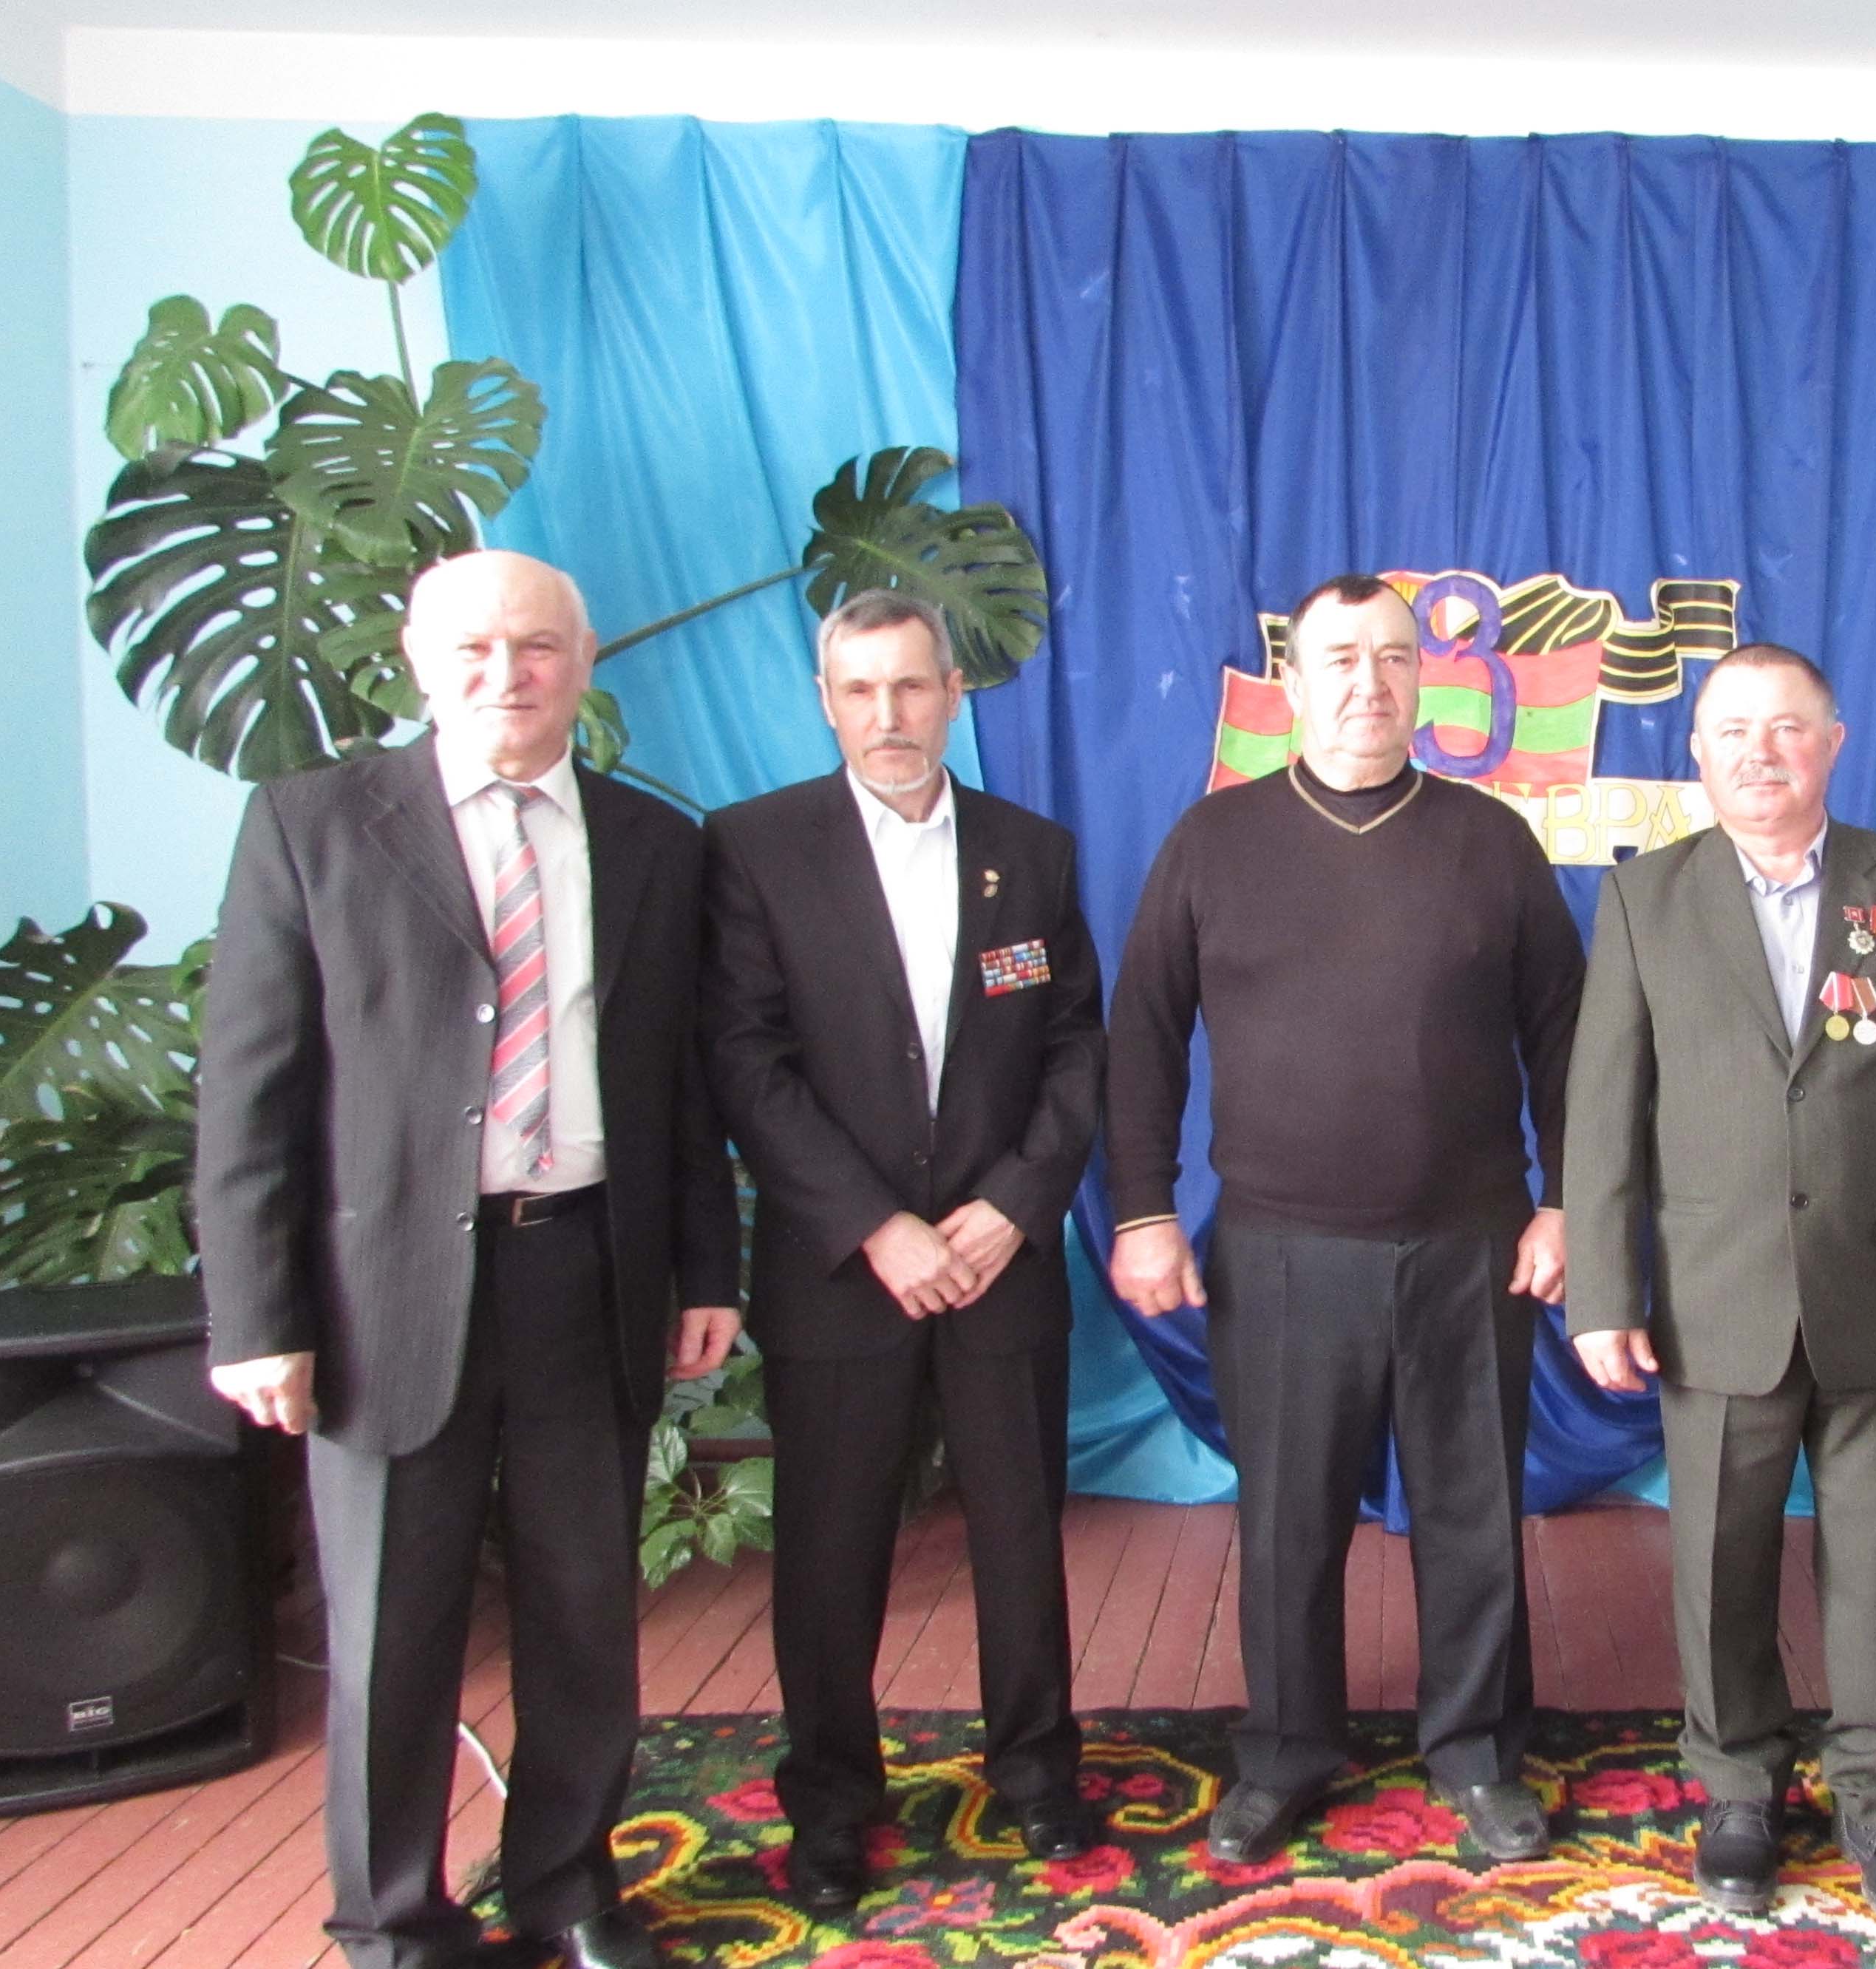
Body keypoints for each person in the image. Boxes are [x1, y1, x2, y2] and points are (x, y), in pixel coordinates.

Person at [197, 551, 741, 1969]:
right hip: (383, 1297)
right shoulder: (313, 826)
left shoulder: (651, 840)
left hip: (586, 1271)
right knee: (393, 1630)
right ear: (421, 662)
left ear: (584, 660)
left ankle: (567, 1886)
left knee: (583, 1612)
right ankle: (391, 1924)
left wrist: (706, 1269)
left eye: (539, 646)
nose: (510, 674)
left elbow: (679, 1078)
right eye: (477, 649)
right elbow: (249, 1093)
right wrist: (256, 1316)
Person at [1105, 574, 1583, 1867]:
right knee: (1288, 1522)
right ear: (1293, 681)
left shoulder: (1491, 840)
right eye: (1339, 659)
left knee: (1473, 1513)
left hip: (1472, 1243)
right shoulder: (1212, 841)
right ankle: (1285, 1752)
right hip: (1278, 1248)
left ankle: (1478, 1753)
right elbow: (1141, 1036)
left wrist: (1566, 1202)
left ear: (1424, 678)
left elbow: (1569, 1038)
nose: (1368, 682)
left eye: (1392, 658)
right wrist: (1143, 1211)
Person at [1566, 643, 1876, 1928]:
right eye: (1732, 731)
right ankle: (1739, 1788)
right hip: (1714, 1293)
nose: (1760, 753)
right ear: (1698, 752)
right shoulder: (1646, 898)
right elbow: (1604, 1115)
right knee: (1719, 1556)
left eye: (1787, 728)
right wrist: (1604, 1291)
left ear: (1834, 741)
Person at [701, 591, 1107, 1908]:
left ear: (953, 694)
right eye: (861, 690)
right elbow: (747, 1062)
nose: (889, 715)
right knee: (830, 1553)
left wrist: (1013, 1205)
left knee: (1019, 1537)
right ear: (827, 702)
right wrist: (878, 1227)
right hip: (844, 1271)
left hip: (1000, 1260)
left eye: (913, 686)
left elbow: (1076, 1045)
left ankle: (1037, 1773)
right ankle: (830, 1804)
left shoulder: (1030, 853)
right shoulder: (757, 849)